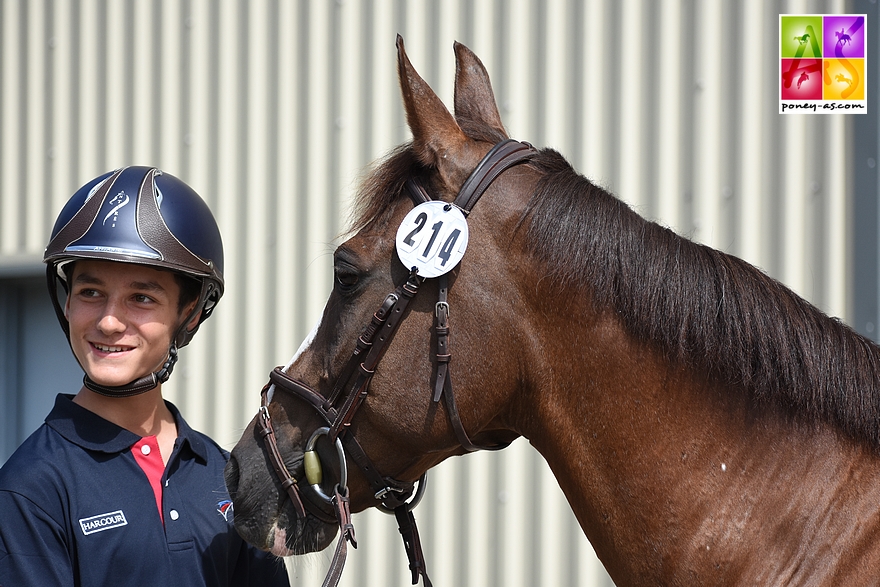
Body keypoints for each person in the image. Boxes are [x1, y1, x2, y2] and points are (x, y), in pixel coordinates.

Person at [0, 167, 290, 587]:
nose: (110, 321)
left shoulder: (225, 476)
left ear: (188, 313)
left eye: (141, 298)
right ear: (66, 304)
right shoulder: (30, 488)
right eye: (90, 292)